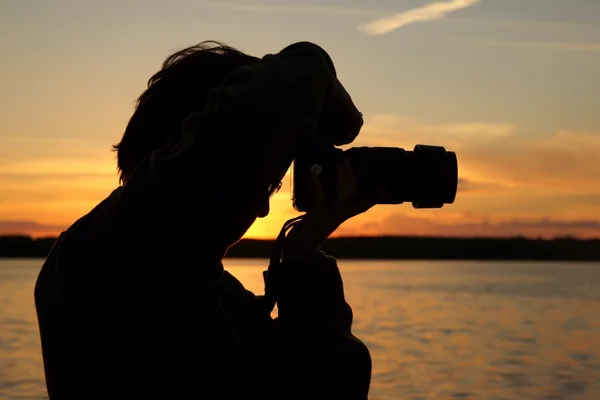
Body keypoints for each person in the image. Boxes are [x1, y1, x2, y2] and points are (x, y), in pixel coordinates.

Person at [34, 40, 381, 400]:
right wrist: (331, 100)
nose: (262, 206)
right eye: (256, 175)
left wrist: (304, 257)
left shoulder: (206, 284)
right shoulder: (111, 251)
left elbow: (318, 385)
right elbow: (296, 75)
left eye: (271, 185)